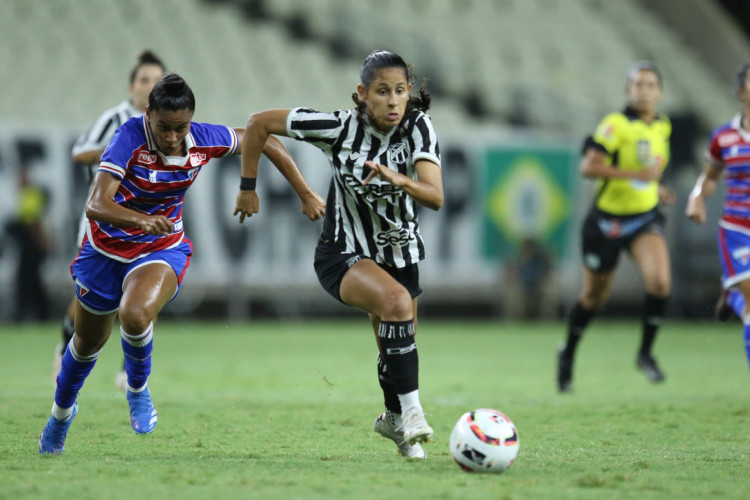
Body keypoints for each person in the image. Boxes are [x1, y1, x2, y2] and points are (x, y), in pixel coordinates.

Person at [38, 73, 325, 455]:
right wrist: (140, 219)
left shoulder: (204, 139)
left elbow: (266, 139)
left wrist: (290, 191)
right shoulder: (128, 137)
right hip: (103, 251)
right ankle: (61, 414)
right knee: (87, 343)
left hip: (160, 248)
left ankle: (138, 390)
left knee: (136, 314)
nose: (172, 137)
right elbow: (96, 204)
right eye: (164, 128)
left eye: (181, 128)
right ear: (148, 115)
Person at [233, 50, 444, 459]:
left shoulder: (419, 127)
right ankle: (415, 414)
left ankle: (393, 421)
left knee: (396, 346)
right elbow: (258, 124)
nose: (394, 101)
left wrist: (396, 177)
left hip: (400, 253)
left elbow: (435, 196)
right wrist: (248, 186)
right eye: (383, 92)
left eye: (400, 91)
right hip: (342, 252)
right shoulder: (337, 128)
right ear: (362, 94)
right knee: (396, 304)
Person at [556, 61, 675, 393]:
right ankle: (567, 354)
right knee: (594, 297)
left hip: (643, 219)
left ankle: (645, 354)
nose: (644, 91)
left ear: (660, 92)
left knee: (660, 282)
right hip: (606, 222)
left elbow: (650, 172)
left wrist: (656, 188)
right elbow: (589, 166)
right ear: (628, 90)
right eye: (638, 85)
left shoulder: (662, 127)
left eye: (651, 85)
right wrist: (635, 176)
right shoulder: (615, 125)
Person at [53, 50, 166, 390]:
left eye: (156, 81)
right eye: (144, 80)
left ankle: (128, 369)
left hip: (146, 223)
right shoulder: (115, 118)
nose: (149, 87)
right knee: (91, 299)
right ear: (132, 86)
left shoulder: (166, 124)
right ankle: (67, 340)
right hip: (103, 224)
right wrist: (117, 152)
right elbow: (79, 151)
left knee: (148, 291)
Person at [686, 62, 750, 373]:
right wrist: (697, 197)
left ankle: (733, 296)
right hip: (737, 229)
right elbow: (710, 176)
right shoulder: (724, 137)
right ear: (740, 92)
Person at [4, 169, 52, 321]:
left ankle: (38, 314)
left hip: (31, 246)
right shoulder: (24, 195)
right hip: (27, 245)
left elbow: (34, 222)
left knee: (30, 280)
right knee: (28, 280)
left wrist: (41, 243)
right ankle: (33, 313)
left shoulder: (31, 195)